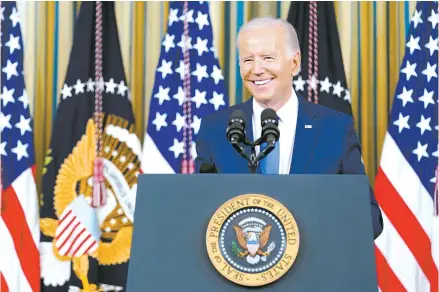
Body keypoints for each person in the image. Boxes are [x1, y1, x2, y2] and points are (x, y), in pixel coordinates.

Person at [194, 17, 383, 239]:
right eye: (247, 60)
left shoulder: (335, 129)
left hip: (315, 267)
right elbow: (199, 212)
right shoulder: (216, 129)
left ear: (294, 63)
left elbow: (369, 219)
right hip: (241, 264)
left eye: (267, 58)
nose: (256, 70)